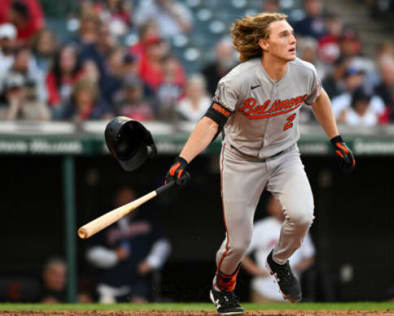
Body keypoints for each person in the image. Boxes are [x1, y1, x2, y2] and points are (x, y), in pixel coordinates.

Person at [163, 12, 355, 315]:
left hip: (284, 156)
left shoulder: (304, 72)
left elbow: (319, 99)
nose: (292, 39)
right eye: (283, 34)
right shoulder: (237, 80)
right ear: (263, 43)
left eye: (292, 33)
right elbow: (211, 123)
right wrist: (182, 160)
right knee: (238, 243)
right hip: (242, 159)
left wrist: (336, 139)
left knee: (303, 215)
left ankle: (278, 262)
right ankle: (222, 287)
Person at [86, 187, 171, 303]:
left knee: (140, 303)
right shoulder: (104, 222)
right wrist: (113, 256)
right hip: (111, 284)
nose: (127, 202)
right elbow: (91, 253)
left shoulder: (147, 219)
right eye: (123, 199)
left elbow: (163, 244)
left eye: (131, 199)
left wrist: (152, 261)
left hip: (140, 281)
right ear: (116, 201)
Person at [241, 194, 315, 303]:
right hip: (264, 291)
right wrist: (254, 270)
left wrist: (297, 267)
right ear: (270, 207)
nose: (282, 207)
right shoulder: (261, 227)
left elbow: (310, 256)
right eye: (278, 203)